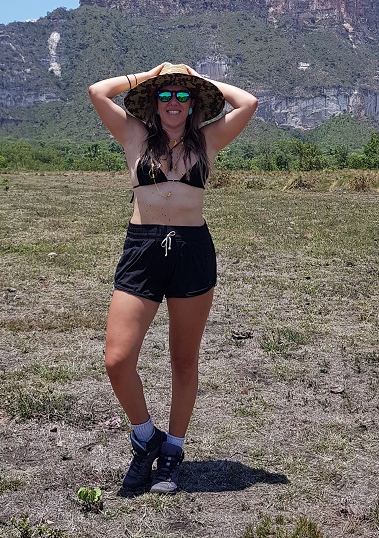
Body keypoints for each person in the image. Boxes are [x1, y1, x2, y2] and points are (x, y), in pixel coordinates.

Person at [88, 62, 258, 494]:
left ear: (194, 103)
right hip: (142, 249)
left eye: (184, 96)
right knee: (117, 358)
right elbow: (98, 91)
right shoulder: (134, 136)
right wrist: (150, 74)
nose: (174, 103)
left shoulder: (208, 140)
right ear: (154, 102)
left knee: (183, 360)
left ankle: (172, 453)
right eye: (166, 96)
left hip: (192, 252)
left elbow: (248, 103)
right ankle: (146, 438)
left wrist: (199, 78)